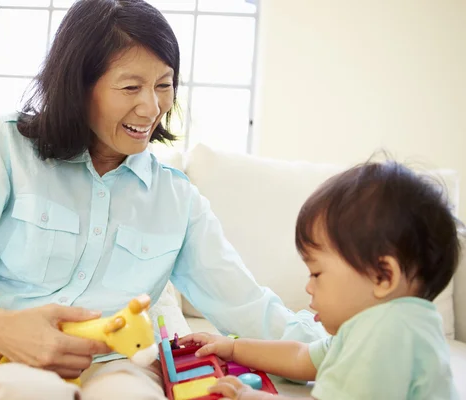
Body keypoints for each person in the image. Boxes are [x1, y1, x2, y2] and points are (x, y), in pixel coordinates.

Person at [0, 1, 325, 399]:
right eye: (130, 87)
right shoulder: (7, 148)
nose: (151, 108)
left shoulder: (177, 200)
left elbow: (248, 307)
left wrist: (348, 346)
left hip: (116, 367)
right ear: (79, 85)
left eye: (164, 85)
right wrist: (3, 330)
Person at [180, 160, 461, 400]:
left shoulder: (385, 337)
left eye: (317, 273)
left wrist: (248, 395)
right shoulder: (383, 324)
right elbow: (301, 357)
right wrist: (234, 348)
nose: (308, 286)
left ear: (383, 276)